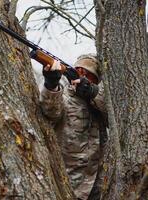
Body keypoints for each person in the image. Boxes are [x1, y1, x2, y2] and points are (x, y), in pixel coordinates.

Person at [40, 54, 107, 199]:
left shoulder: (100, 103)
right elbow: (50, 111)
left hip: (98, 189)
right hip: (68, 185)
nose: (82, 76)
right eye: (78, 71)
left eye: (88, 74)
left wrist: (92, 92)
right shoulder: (63, 96)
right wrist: (51, 83)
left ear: (96, 80)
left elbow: (115, 113)